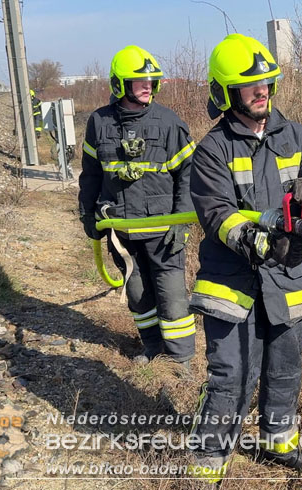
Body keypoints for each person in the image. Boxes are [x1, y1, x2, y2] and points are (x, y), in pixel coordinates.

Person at [187, 33, 302, 481]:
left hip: (288, 276)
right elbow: (217, 213)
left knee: (285, 369)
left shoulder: (298, 135)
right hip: (230, 281)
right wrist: (254, 239)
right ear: (224, 92)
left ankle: (278, 445)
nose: (262, 92)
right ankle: (207, 465)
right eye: (250, 85)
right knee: (233, 374)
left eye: (268, 82)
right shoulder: (213, 149)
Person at [78, 45, 197, 368]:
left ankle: (181, 359)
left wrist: (180, 223)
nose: (148, 86)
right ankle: (152, 347)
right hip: (121, 231)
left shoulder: (169, 122)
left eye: (151, 80)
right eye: (139, 80)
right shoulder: (99, 123)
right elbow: (90, 174)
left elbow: (189, 174)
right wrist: (87, 213)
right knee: (138, 293)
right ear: (120, 84)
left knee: (171, 296)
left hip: (164, 232)